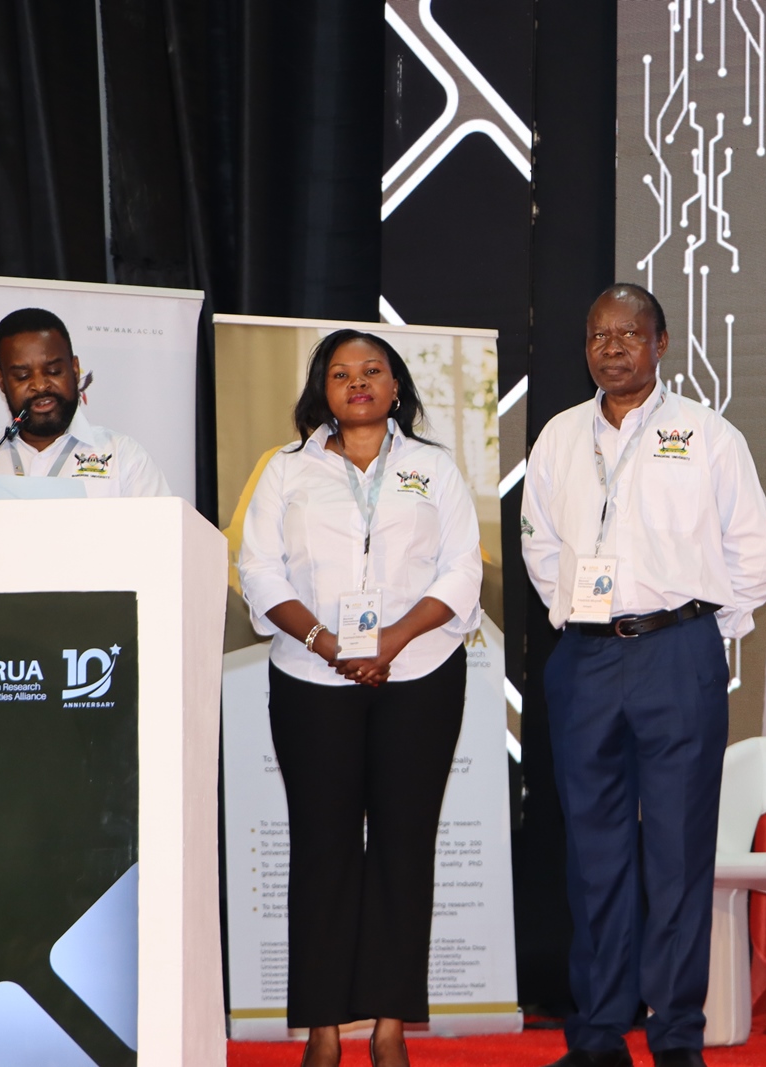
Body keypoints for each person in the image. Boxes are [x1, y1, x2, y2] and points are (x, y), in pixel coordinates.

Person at [521, 283, 766, 1067]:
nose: (611, 347)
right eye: (598, 334)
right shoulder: (560, 437)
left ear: (660, 343)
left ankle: (675, 1035)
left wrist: (706, 629)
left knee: (676, 851)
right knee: (593, 855)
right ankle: (599, 1034)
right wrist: (577, 614)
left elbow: (761, 555)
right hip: (586, 659)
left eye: (628, 334)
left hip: (678, 656)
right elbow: (539, 544)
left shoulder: (707, 435)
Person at [237, 329, 482, 1067]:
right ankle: (320, 1029)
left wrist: (391, 641)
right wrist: (327, 643)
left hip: (421, 675)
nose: (358, 383)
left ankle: (389, 1026)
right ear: (323, 390)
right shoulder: (285, 471)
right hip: (313, 679)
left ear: (396, 385)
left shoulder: (432, 469)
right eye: (341, 373)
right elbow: (260, 574)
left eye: (372, 370)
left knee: (405, 850)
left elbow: (461, 573)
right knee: (322, 851)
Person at [0, 307, 171, 499]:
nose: (40, 386)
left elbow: (163, 546)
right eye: (22, 376)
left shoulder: (124, 459)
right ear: (1, 380)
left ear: (74, 370)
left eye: (53, 371)